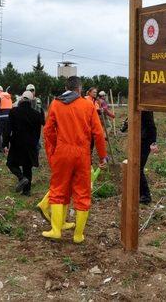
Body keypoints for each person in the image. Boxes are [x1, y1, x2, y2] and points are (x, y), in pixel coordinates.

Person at [42, 76, 107, 243]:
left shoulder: (56, 104)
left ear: (66, 87)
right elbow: (98, 133)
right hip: (82, 154)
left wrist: (53, 154)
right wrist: (102, 156)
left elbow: (48, 131)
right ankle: (78, 235)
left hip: (62, 152)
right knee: (82, 193)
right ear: (79, 89)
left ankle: (56, 230)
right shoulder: (88, 105)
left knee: (58, 189)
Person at [3, 91, 45, 196]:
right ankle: (27, 191)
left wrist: (5, 143)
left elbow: (8, 129)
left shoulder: (14, 111)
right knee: (27, 166)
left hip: (17, 142)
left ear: (21, 99)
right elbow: (37, 132)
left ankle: (21, 178)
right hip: (30, 144)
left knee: (11, 163)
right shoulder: (36, 114)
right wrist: (35, 144)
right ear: (31, 101)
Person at [140, 111, 158, 204]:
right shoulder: (140, 110)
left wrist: (153, 142)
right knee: (137, 168)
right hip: (141, 139)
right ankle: (141, 193)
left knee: (138, 168)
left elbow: (152, 126)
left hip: (145, 140)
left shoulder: (145, 110)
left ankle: (146, 196)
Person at [0, 85, 13, 154]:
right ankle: (6, 149)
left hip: (1, 117)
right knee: (6, 134)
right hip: (9, 118)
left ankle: (1, 151)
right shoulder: (8, 97)